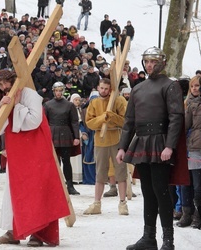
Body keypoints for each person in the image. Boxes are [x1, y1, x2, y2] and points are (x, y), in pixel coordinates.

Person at [116, 47, 185, 250]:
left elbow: (176, 117)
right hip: (142, 141)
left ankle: (168, 240)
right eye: (147, 61)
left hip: (160, 142)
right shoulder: (138, 88)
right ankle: (149, 238)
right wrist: (122, 147)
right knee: (147, 191)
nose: (149, 65)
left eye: (153, 62)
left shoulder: (170, 86)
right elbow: (129, 121)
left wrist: (170, 146)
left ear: (161, 63)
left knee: (161, 191)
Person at [0, 70, 70, 247]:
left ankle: (38, 233)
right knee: (13, 190)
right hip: (16, 149)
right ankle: (14, 231)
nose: (4, 87)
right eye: (0, 85)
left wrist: (17, 106)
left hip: (35, 147)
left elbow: (35, 120)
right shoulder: (5, 96)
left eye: (6, 83)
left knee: (36, 189)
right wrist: (1, 107)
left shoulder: (30, 94)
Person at [84, 78, 128, 216]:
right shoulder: (94, 102)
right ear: (98, 88)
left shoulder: (119, 100)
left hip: (116, 138)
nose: (103, 91)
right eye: (101, 88)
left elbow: (125, 121)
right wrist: (102, 118)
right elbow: (89, 123)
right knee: (100, 173)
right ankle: (97, 203)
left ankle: (122, 203)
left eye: (106, 89)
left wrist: (112, 117)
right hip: (100, 140)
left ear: (110, 89)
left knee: (120, 171)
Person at [44, 82, 81, 195]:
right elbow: (44, 122)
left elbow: (74, 122)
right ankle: (54, 186)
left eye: (60, 90)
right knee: (54, 162)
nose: (59, 93)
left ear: (63, 91)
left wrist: (76, 137)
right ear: (54, 91)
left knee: (66, 161)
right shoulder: (48, 105)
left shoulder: (69, 105)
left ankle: (70, 186)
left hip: (65, 134)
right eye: (56, 91)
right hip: (52, 134)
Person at [184, 76, 201, 229]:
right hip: (195, 148)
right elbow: (185, 125)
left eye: (198, 85)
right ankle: (195, 214)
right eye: (193, 86)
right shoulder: (189, 104)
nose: (195, 88)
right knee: (196, 185)